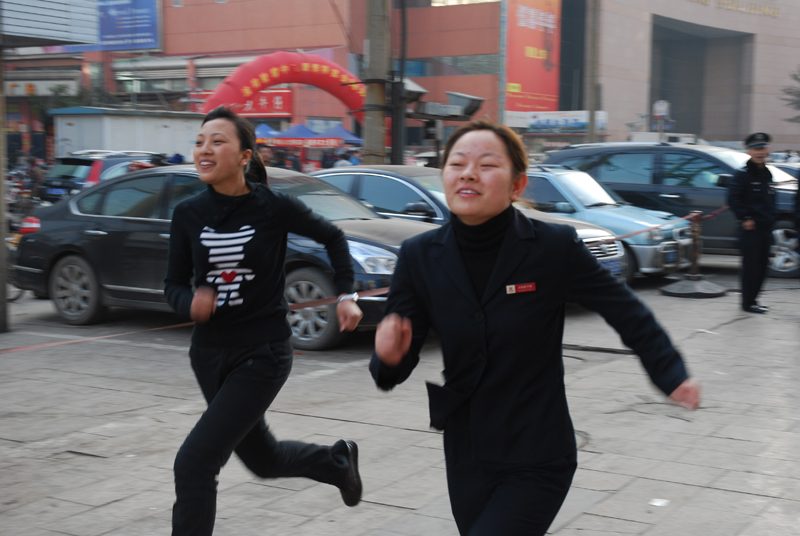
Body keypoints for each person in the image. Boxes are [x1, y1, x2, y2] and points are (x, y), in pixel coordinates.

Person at [370, 120, 701, 536]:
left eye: (487, 165)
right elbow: (392, 368)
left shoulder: (553, 247)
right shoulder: (419, 255)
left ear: (517, 185)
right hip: (467, 452)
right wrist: (388, 357)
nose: (468, 174)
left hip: (537, 450)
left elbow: (625, 311)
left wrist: (669, 372)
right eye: (457, 164)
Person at [164, 107, 364, 536]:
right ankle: (337, 463)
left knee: (194, 462)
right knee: (263, 459)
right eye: (199, 141)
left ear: (244, 156)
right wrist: (190, 303)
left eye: (217, 141)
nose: (204, 149)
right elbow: (173, 285)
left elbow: (333, 237)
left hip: (263, 353)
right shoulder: (187, 214)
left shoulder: (273, 207)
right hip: (208, 354)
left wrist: (346, 296)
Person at [727, 132, 777, 314]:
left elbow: (770, 200)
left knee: (763, 266)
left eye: (762, 148)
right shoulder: (742, 175)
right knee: (751, 268)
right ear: (749, 151)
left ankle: (754, 300)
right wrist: (745, 217)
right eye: (756, 149)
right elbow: (733, 199)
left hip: (765, 228)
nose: (760, 152)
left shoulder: (767, 174)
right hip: (751, 230)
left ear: (767, 150)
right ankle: (747, 303)